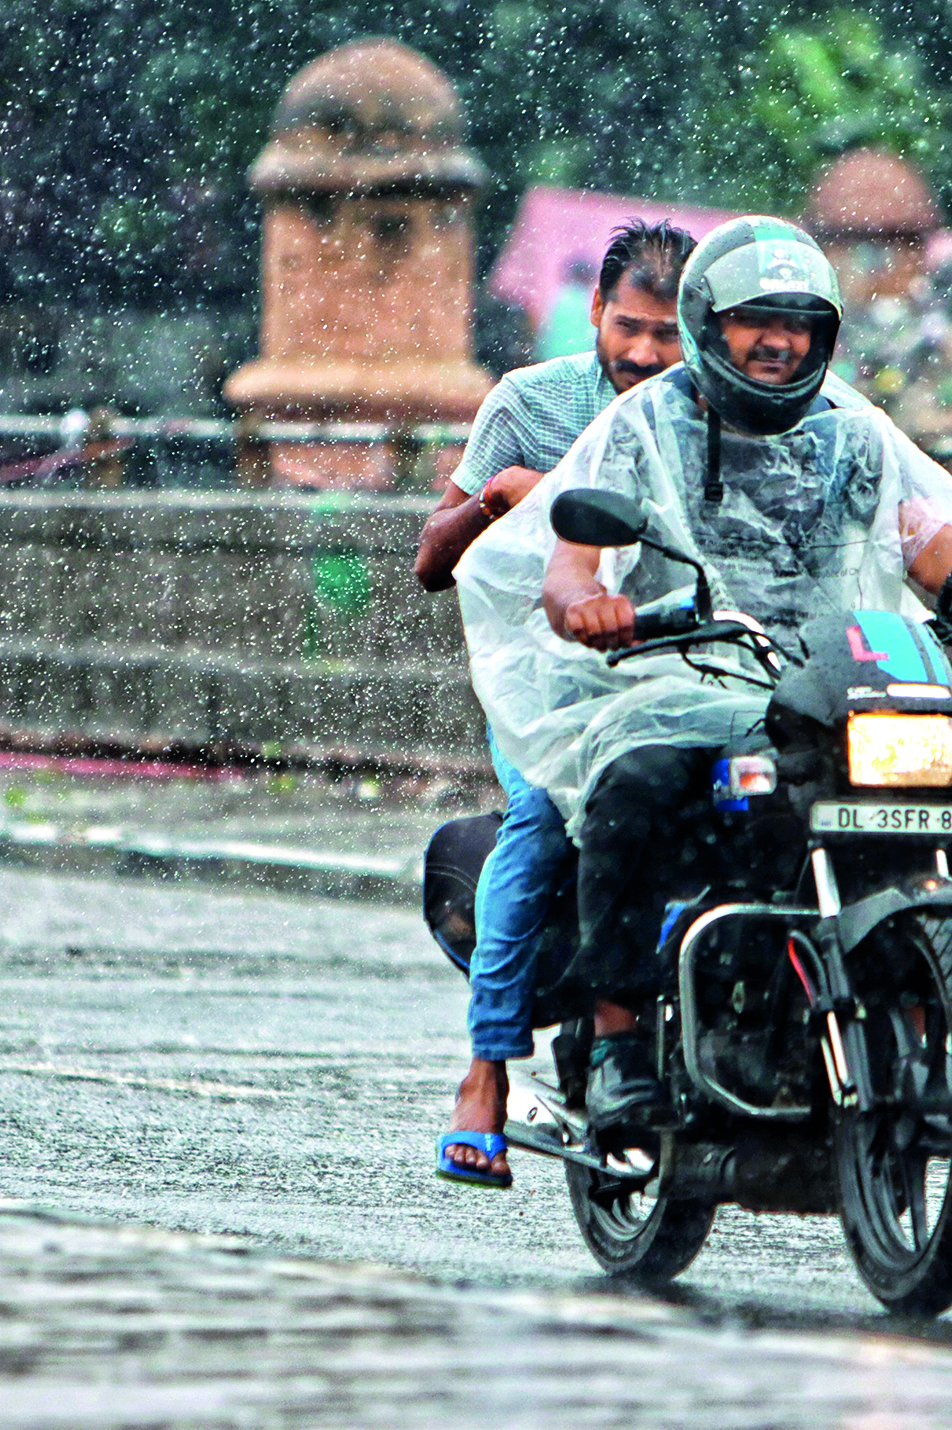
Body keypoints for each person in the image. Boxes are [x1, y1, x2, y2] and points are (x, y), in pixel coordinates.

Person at [457, 216, 952, 1132]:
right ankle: (618, 1039)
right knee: (634, 783)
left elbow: (925, 534)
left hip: (824, 678)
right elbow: (571, 562)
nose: (779, 341)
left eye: (800, 324)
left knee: (934, 768)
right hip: (678, 675)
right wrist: (587, 603)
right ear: (711, 323)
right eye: (755, 320)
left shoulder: (853, 430)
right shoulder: (641, 423)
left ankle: (925, 1016)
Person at [419, 219, 694, 1189]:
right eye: (630, 327)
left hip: (683, 669)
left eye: (669, 334)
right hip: (547, 687)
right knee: (541, 814)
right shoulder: (531, 402)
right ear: (596, 312)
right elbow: (430, 562)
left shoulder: (718, 418)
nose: (646, 353)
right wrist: (496, 499)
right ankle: (487, 1067)